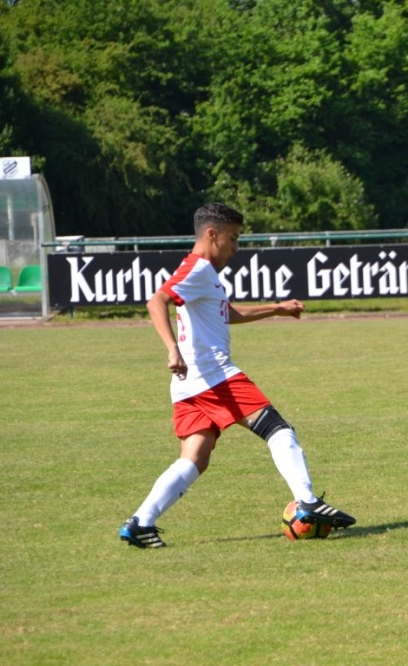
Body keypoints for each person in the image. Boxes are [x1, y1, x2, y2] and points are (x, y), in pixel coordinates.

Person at [119, 202, 355, 548]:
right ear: (211, 234)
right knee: (277, 428)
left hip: (189, 385)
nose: (236, 247)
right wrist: (172, 349)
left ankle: (141, 522)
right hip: (215, 375)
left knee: (194, 458)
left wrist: (277, 309)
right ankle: (306, 501)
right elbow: (156, 301)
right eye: (232, 238)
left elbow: (227, 313)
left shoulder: (202, 274)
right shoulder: (197, 268)